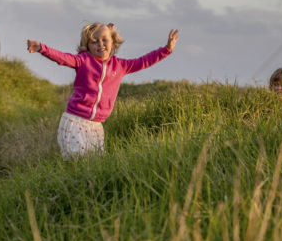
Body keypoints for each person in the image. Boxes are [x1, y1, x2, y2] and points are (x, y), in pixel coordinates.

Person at [27, 23, 179, 159]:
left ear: (113, 42)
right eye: (94, 41)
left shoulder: (121, 66)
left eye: (104, 39)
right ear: (87, 46)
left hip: (96, 126)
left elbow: (144, 61)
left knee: (95, 164)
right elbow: (63, 58)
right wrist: (42, 48)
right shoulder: (83, 61)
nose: (100, 44)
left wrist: (166, 50)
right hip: (76, 121)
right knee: (78, 162)